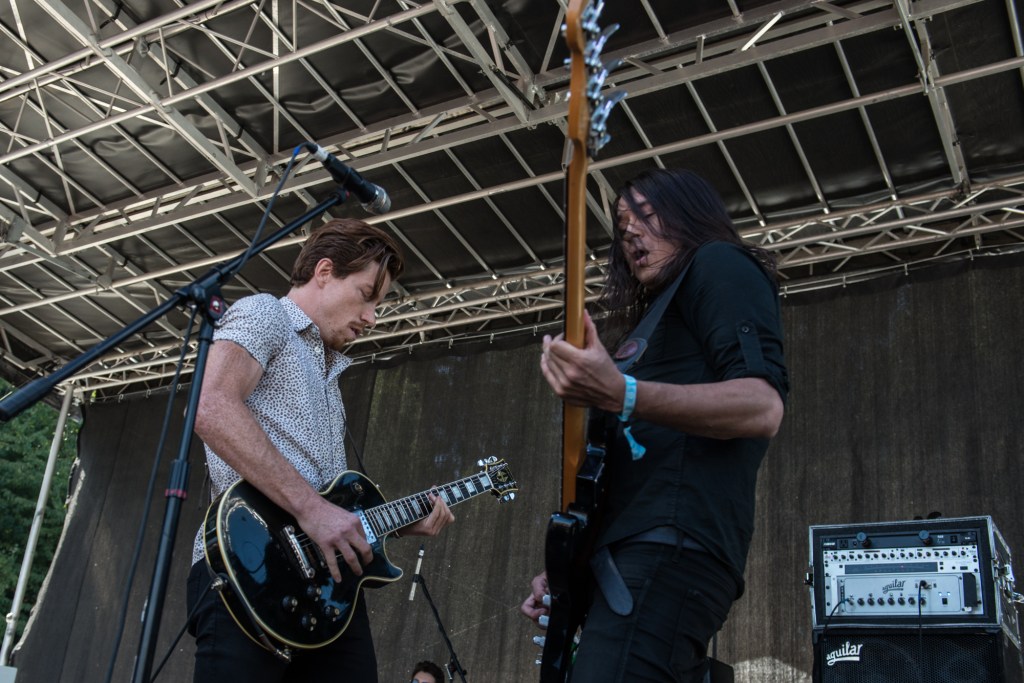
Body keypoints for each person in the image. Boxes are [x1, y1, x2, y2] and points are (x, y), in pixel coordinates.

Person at [521, 168, 788, 682]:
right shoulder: (654, 321)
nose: (631, 235)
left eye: (644, 215)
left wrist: (622, 392)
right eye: (621, 229)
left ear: (689, 212)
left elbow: (762, 406)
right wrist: (569, 567)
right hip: (627, 560)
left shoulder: (717, 263)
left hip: (670, 547)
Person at [187, 218, 455, 682]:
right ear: (325, 271)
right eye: (367, 295)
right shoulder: (264, 314)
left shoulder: (331, 379)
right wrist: (312, 508)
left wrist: (392, 522)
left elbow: (333, 505)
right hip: (248, 571)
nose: (372, 317)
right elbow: (210, 406)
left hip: (327, 594)